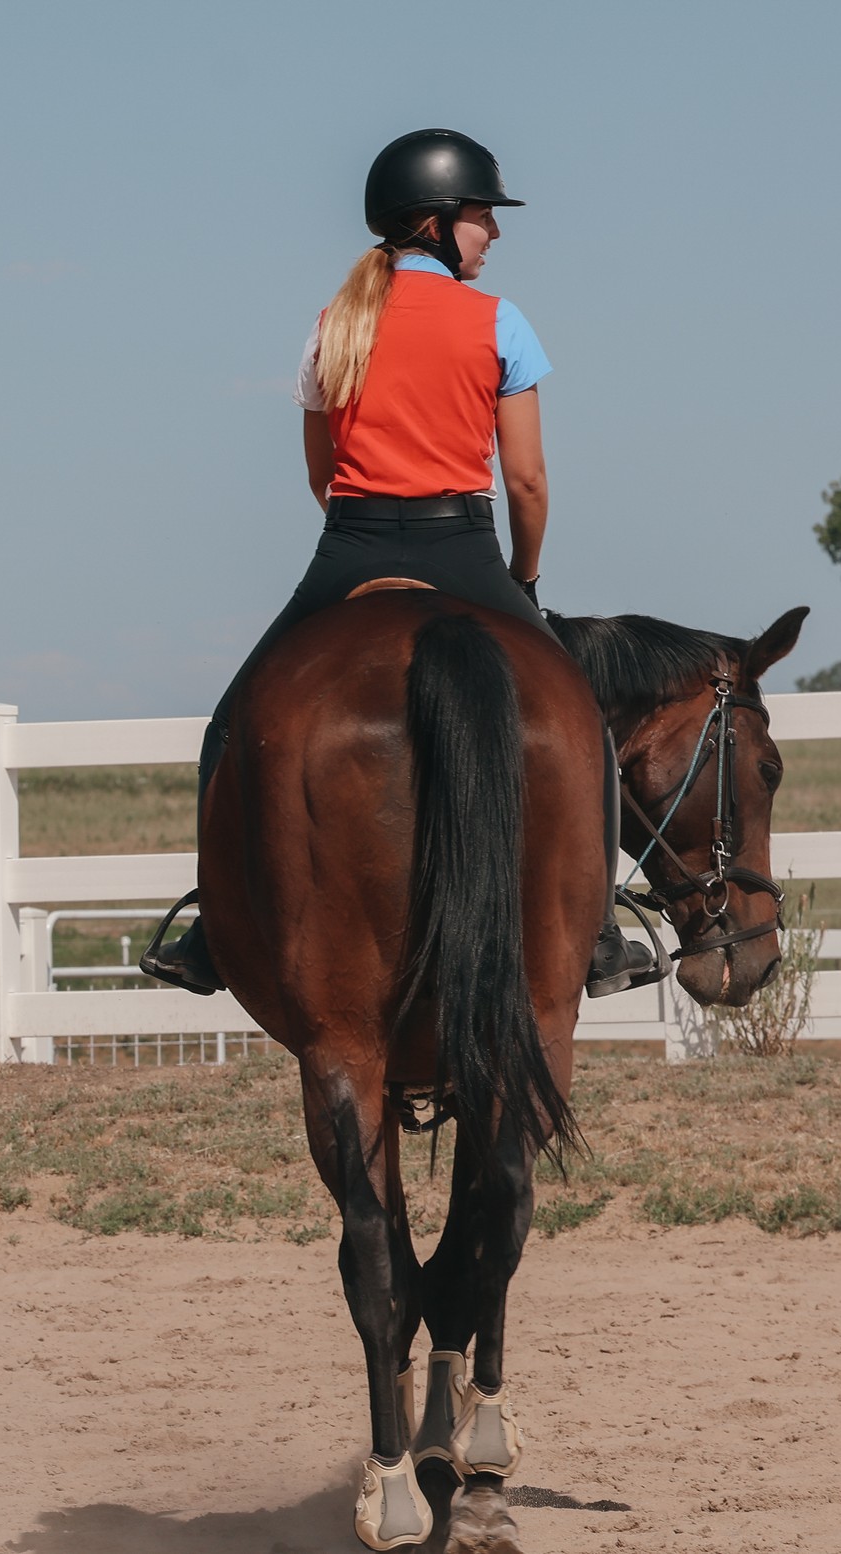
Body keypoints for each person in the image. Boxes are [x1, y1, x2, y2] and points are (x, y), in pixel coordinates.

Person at [141, 127, 660, 999]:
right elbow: (526, 481)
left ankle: (209, 930)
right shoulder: (500, 321)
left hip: (349, 546)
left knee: (232, 724)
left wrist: (367, 530)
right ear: (436, 220)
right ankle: (600, 931)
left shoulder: (331, 325)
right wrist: (523, 579)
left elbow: (318, 471)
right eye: (483, 218)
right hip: (464, 548)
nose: (494, 234)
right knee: (584, 733)